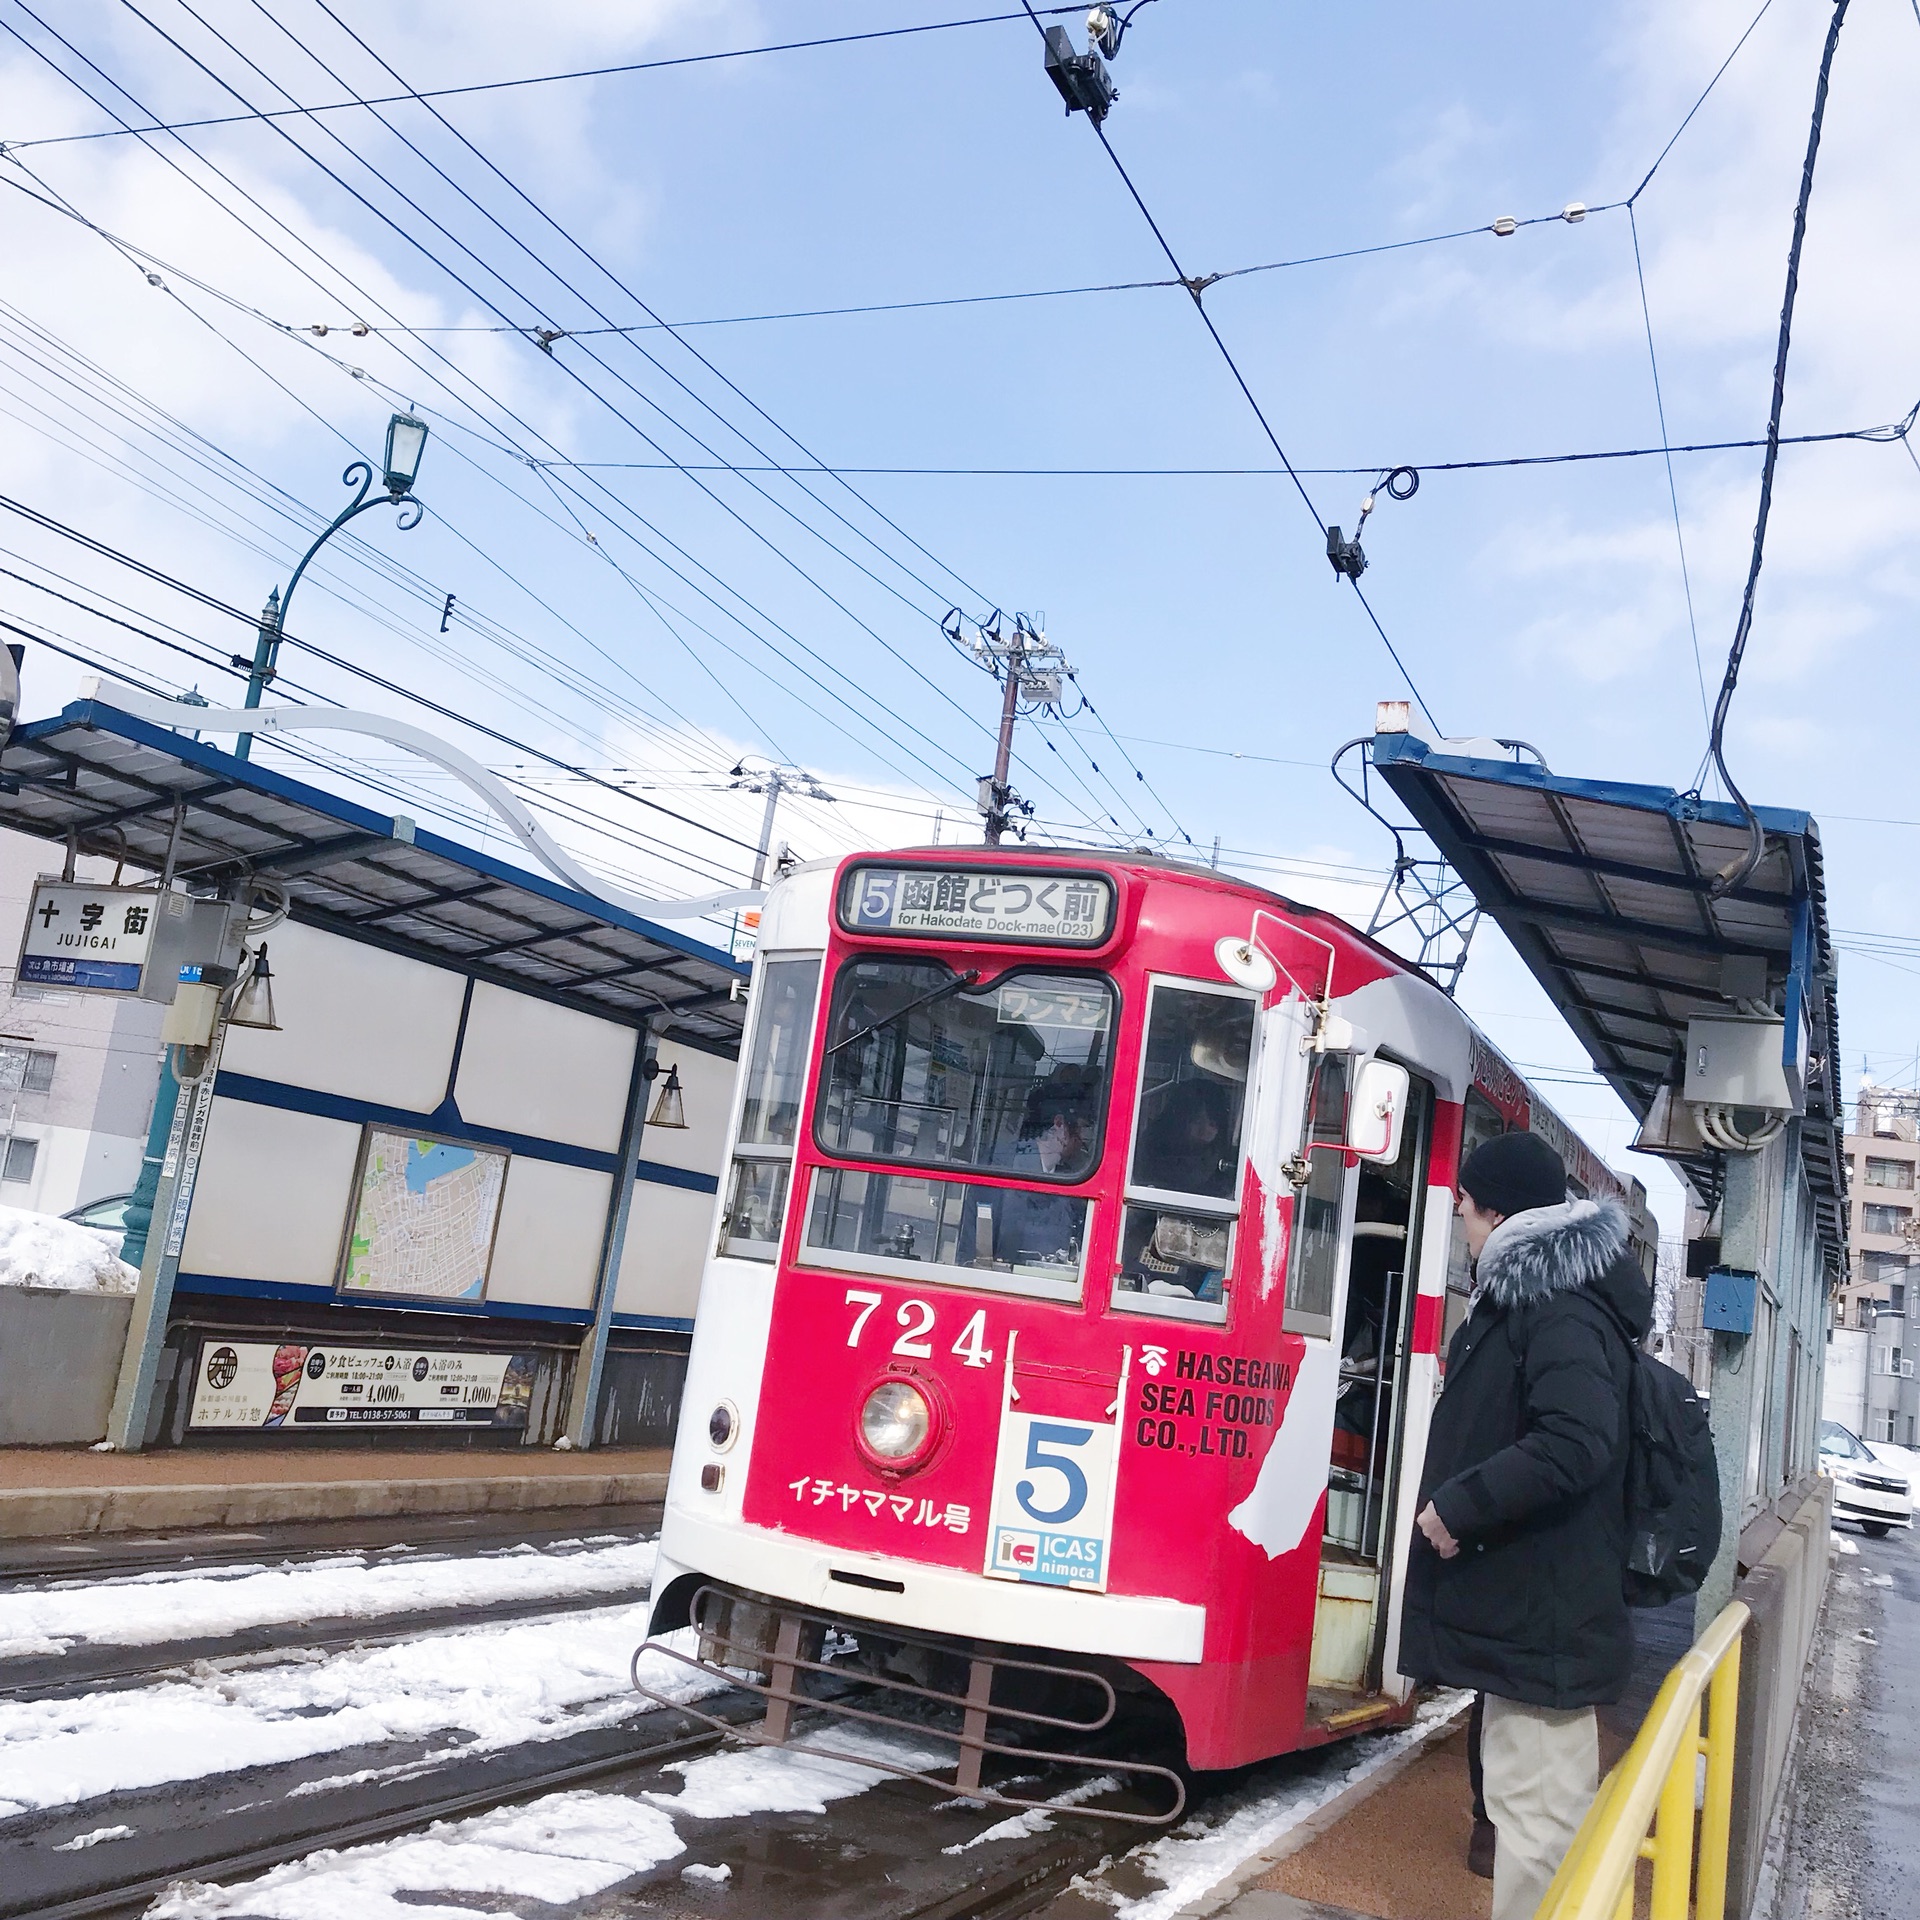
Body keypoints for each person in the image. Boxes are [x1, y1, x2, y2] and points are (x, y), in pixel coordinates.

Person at [1395, 1130, 1651, 1920]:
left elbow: (1575, 1439)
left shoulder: (1554, 1305)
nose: (1463, 1228)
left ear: (1499, 1213)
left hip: (1544, 1621)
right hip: (1538, 1618)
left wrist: (1457, 1506)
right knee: (1529, 1812)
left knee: (1538, 1828)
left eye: (1467, 1210)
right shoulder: (1555, 1298)